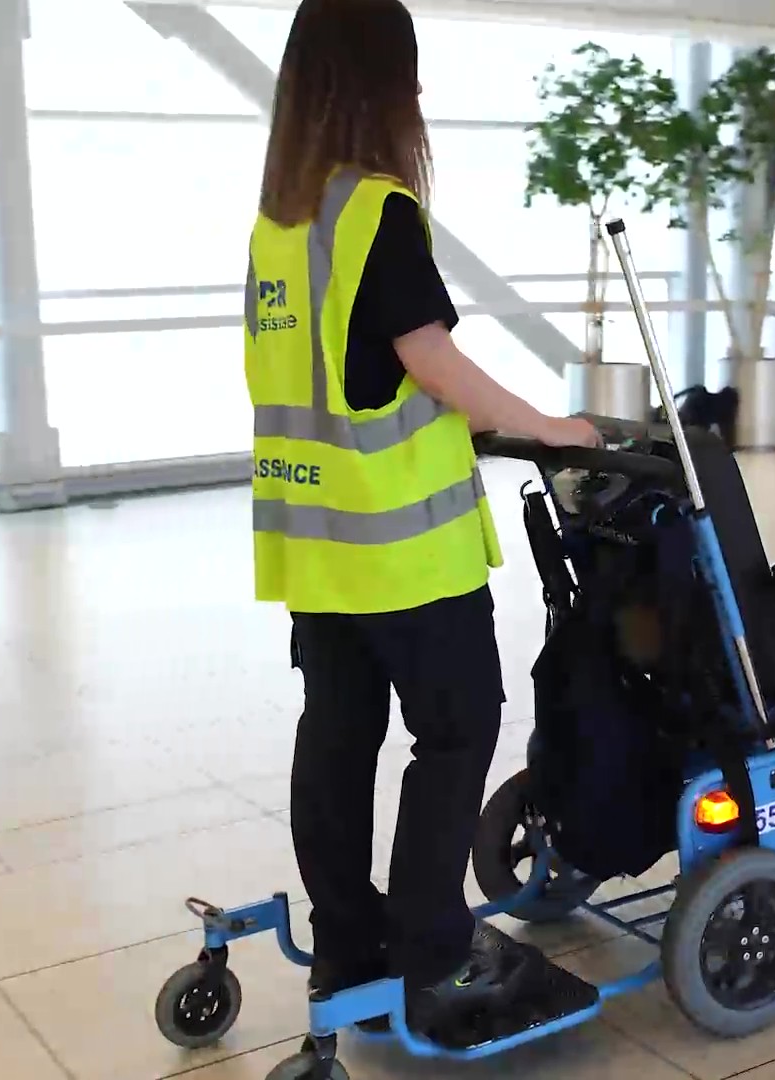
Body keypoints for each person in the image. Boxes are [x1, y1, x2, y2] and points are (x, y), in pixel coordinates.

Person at [243, 0, 601, 1033]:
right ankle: (435, 954)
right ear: (381, 86)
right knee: (456, 730)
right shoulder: (376, 210)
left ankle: (347, 948)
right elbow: (426, 357)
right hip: (405, 549)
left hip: (316, 544)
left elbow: (326, 375)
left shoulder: (280, 224)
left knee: (339, 734)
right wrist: (546, 425)